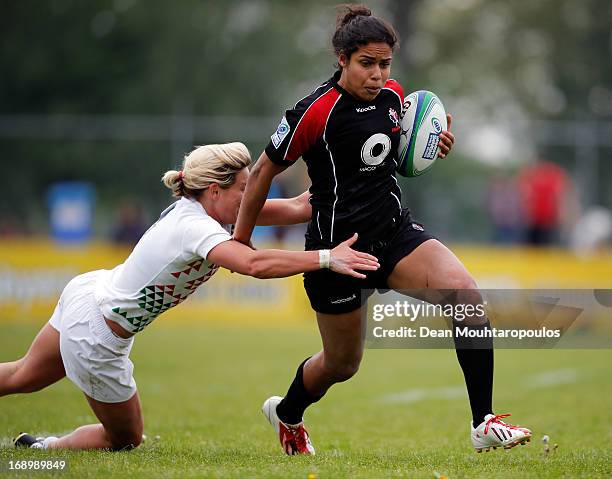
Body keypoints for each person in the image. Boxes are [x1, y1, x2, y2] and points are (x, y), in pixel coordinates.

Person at [234, 5, 532, 455]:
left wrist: (432, 144)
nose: (377, 74)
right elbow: (259, 176)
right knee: (341, 364)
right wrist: (240, 240)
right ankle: (288, 412)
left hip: (394, 233)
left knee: (466, 297)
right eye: (366, 63)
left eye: (384, 64)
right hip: (338, 252)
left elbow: (390, 158)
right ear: (342, 59)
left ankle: (483, 422)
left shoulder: (394, 97)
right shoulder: (313, 112)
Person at [1, 142, 380, 451]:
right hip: (97, 333)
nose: (253, 195)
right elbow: (254, 265)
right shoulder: (195, 228)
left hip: (89, 296)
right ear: (215, 190)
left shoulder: (209, 210)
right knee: (125, 440)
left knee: (22, 375)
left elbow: (300, 206)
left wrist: (364, 165)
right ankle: (43, 451)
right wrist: (328, 258)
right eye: (245, 189)